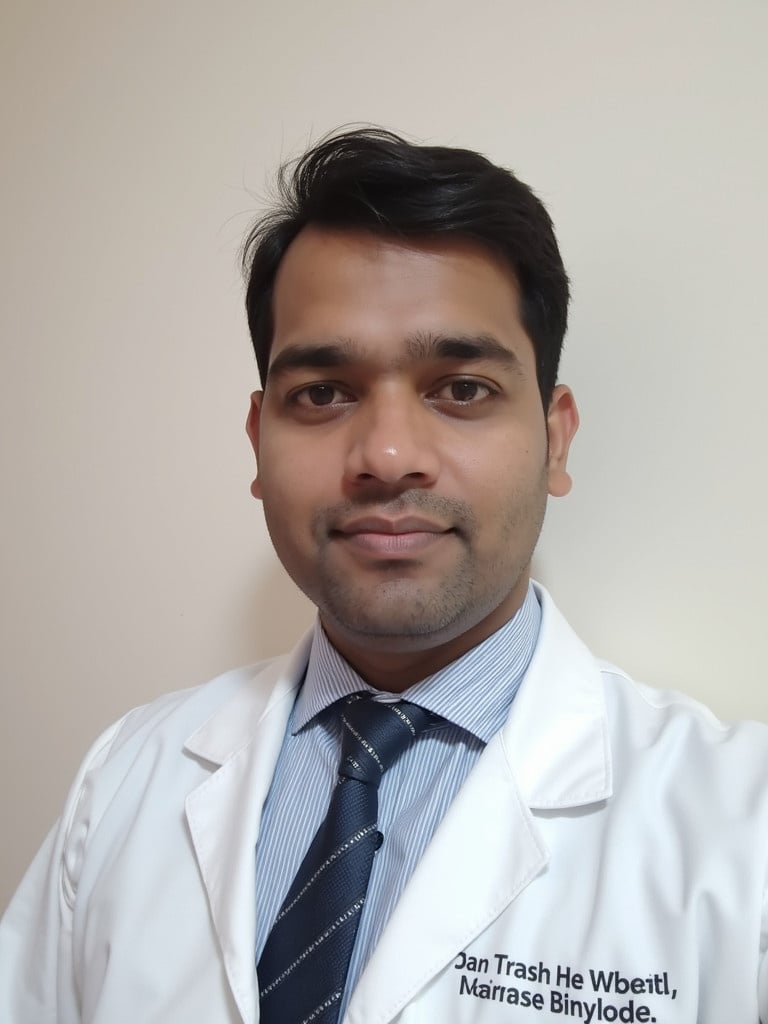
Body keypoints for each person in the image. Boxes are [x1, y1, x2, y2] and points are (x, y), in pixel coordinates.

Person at [1, 128, 767, 1024]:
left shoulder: (740, 829)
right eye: (323, 394)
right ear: (258, 440)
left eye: (463, 388)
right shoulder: (126, 778)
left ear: (556, 436)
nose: (389, 456)